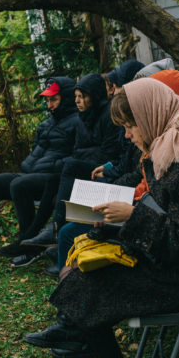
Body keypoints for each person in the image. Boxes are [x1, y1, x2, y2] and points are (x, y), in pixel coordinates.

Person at [29, 78, 179, 358]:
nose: (126, 135)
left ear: (151, 114)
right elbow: (167, 215)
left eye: (130, 125)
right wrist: (116, 222)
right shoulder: (172, 146)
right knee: (78, 266)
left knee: (81, 284)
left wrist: (131, 217)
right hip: (173, 264)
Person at [0, 76, 80, 272]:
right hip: (32, 176)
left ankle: (30, 245)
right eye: (47, 100)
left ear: (66, 98)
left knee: (20, 184)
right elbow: (35, 156)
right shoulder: (45, 125)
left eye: (54, 100)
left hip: (56, 181)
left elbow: (77, 158)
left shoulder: (78, 122)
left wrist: (52, 167)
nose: (49, 105)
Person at [15, 73, 124, 258]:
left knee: (69, 165)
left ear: (94, 96)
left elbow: (108, 154)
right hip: (86, 167)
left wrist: (80, 157)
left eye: (82, 96)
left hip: (104, 170)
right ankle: (39, 236)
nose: (77, 101)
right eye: (76, 97)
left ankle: (55, 229)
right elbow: (77, 149)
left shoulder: (108, 115)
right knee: (54, 180)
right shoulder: (83, 117)